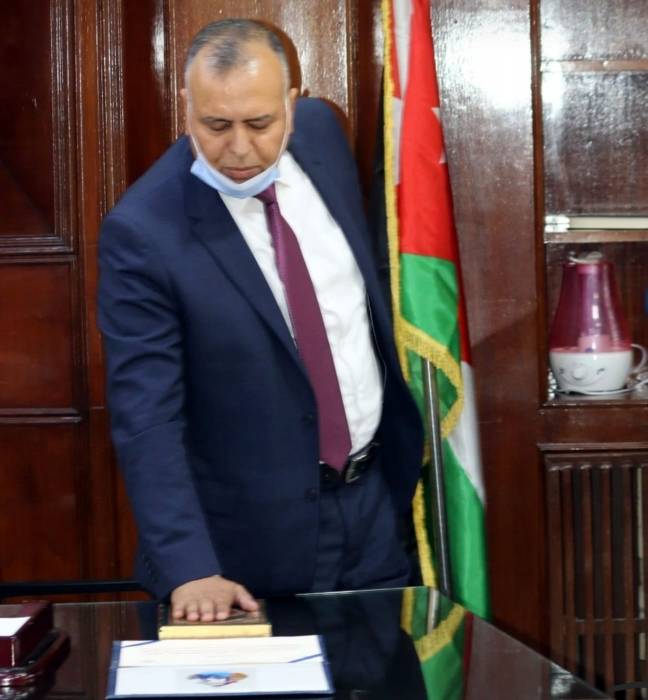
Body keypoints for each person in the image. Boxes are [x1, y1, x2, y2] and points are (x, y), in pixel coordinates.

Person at [98, 18, 423, 624]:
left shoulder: (322, 137)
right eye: (216, 126)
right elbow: (146, 416)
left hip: (374, 512)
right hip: (244, 552)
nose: (240, 149)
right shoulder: (144, 232)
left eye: (260, 123)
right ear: (187, 107)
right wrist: (189, 567)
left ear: (292, 105)